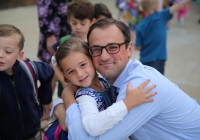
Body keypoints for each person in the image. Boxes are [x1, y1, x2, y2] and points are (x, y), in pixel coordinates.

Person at [54, 17, 200, 139]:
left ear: (129, 49)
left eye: (113, 47)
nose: (104, 56)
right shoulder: (109, 79)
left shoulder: (140, 88)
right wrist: (59, 106)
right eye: (97, 49)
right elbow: (90, 98)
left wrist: (67, 97)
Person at [52, 36, 156, 136]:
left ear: (92, 59)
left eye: (83, 65)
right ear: (65, 76)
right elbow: (92, 127)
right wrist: (128, 102)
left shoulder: (103, 78)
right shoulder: (85, 96)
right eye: (71, 71)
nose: (79, 74)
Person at [0, 24, 54, 140]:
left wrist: (44, 98)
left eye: (8, 52)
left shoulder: (30, 69)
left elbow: (49, 72)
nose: (0, 55)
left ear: (20, 55)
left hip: (34, 132)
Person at [37, 0, 71, 122]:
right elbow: (43, 11)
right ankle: (46, 109)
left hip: (68, 31)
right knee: (50, 72)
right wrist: (49, 35)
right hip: (53, 34)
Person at [134, 0, 174, 75]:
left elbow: (138, 46)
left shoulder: (141, 25)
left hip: (144, 60)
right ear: (156, 7)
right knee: (157, 83)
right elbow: (177, 7)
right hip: (158, 59)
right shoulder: (162, 16)